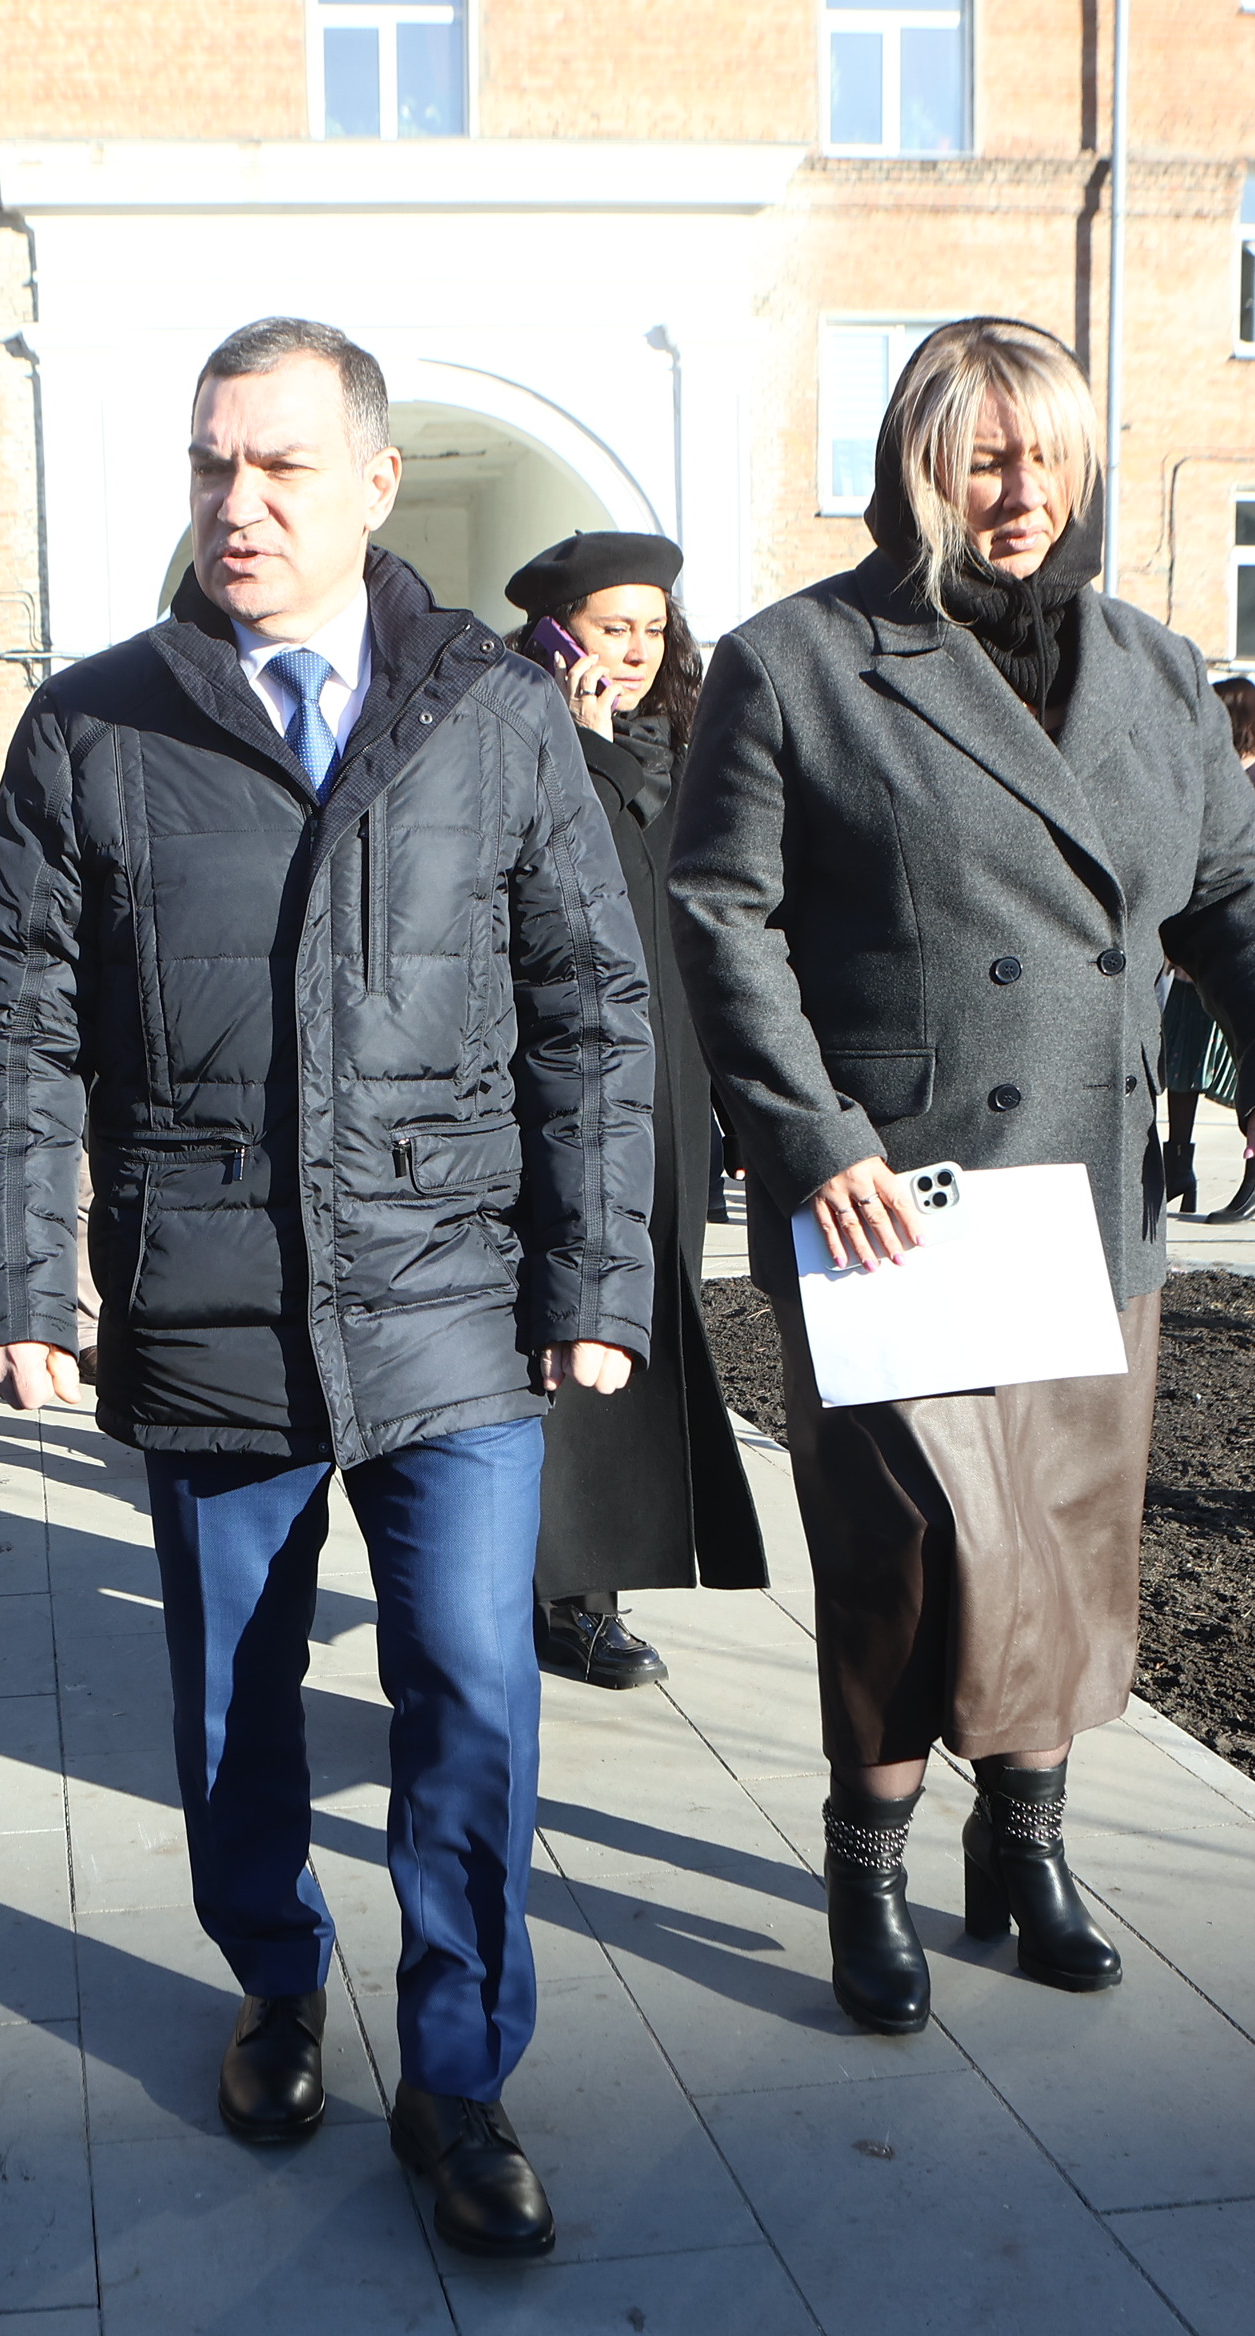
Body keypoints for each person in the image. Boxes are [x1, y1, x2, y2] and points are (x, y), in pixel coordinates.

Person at [0, 318, 654, 2261]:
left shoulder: (492, 710)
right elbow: (9, 1017)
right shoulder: (95, 725)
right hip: (208, 1297)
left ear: (372, 482)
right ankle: (272, 1975)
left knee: (471, 1695)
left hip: (451, 1300)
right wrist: (13, 1269)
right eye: (210, 465)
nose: (236, 504)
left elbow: (591, 1005)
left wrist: (596, 1271)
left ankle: (461, 2074)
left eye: (277, 466)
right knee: (229, 1707)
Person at [669, 316, 1255, 2038]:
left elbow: (1236, 890)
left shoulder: (1152, 669)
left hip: (1087, 1199)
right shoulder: (798, 663)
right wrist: (812, 1137)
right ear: (917, 467)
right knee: (905, 1547)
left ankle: (1025, 1844)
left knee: (1058, 1533)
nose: (1021, 494)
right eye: (983, 460)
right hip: (895, 1202)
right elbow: (720, 917)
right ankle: (866, 1864)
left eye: (1048, 458)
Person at [500, 531, 766, 1692]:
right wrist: (585, 743)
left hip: (675, 1083)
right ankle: (569, 1598)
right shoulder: (521, 740)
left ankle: (584, 1578)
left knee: (648, 1320)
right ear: (555, 636)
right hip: (569, 1082)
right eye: (614, 627)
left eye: (655, 627)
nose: (641, 649)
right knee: (578, 1321)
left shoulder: (691, 745)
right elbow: (574, 891)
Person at [1164, 676, 1255, 1223]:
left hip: (1238, 951)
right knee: (1179, 1061)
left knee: (1249, 1067)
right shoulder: (1219, 772)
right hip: (1194, 955)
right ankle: (1178, 1167)